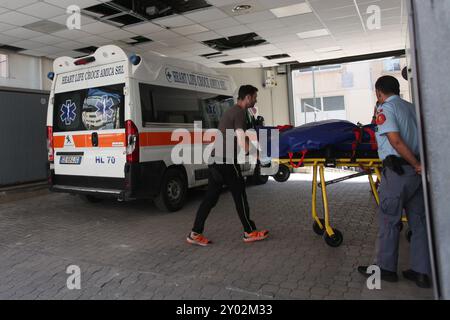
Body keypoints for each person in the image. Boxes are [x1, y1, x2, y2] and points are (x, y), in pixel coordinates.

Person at [358, 76, 432, 288]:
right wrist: (418, 165)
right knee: (419, 223)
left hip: (398, 172)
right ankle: (421, 271)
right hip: (415, 175)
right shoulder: (411, 108)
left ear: (379, 92)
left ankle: (385, 269)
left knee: (389, 219)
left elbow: (395, 140)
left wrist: (415, 163)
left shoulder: (385, 110)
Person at [186, 85, 269, 246]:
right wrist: (259, 156)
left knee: (210, 199)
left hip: (215, 161)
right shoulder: (239, 112)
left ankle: (195, 233)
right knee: (240, 197)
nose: (256, 100)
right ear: (248, 98)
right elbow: (242, 140)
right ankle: (249, 232)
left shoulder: (232, 111)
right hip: (227, 162)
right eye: (255, 97)